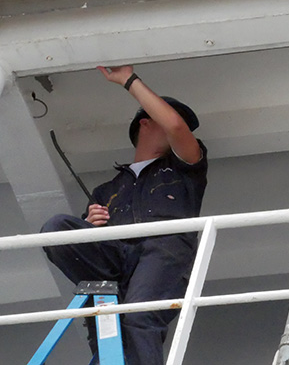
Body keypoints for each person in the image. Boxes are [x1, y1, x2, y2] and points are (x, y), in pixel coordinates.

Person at [41, 65, 208, 365]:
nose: (178, 125)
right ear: (145, 124)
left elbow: (177, 128)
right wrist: (89, 228)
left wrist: (128, 80)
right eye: (168, 117)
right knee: (56, 228)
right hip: (116, 258)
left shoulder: (185, 169)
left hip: (163, 251)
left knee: (138, 317)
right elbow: (82, 240)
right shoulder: (107, 189)